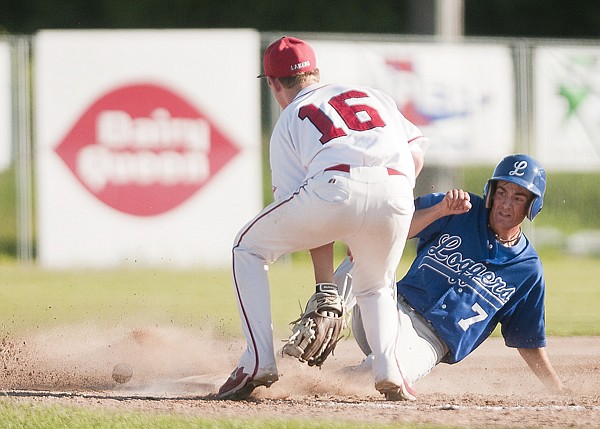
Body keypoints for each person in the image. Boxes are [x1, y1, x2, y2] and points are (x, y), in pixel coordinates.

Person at [217, 36, 429, 400]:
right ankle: (390, 369)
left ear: (273, 83)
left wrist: (325, 286)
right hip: (397, 190)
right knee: (376, 284)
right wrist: (373, 219)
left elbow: (303, 207)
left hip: (336, 185)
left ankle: (257, 362)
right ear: (316, 73)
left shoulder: (289, 120)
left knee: (247, 247)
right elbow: (416, 151)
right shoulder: (373, 95)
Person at [335, 153, 567, 400]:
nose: (506, 204)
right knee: (367, 247)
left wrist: (555, 386)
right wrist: (440, 210)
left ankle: (318, 380)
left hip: (427, 342)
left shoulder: (527, 269)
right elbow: (394, 227)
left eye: (518, 197)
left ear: (532, 206)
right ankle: (324, 312)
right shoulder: (460, 209)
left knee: (390, 373)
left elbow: (527, 339)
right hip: (386, 307)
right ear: (491, 193)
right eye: (502, 192)